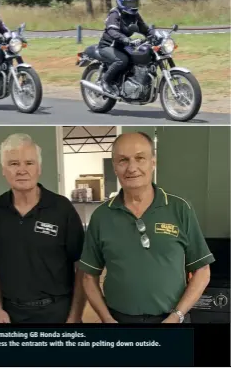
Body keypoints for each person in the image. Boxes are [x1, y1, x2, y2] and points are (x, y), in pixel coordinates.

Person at [79, 132, 214, 323]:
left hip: (171, 320)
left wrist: (177, 316)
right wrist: (107, 319)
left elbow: (202, 271)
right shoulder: (102, 216)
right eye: (123, 160)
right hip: (120, 321)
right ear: (115, 167)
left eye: (140, 158)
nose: (132, 168)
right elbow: (88, 277)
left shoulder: (180, 209)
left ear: (153, 162)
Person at [0, 133, 87, 323]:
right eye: (14, 164)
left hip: (57, 313)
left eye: (29, 163)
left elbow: (81, 267)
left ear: (39, 168)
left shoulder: (62, 209)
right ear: (3, 170)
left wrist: (74, 316)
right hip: (11, 313)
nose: (22, 170)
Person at [98, 0, 154, 95]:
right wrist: (125, 39)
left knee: (140, 58)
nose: (132, 5)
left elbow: (144, 28)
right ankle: (105, 82)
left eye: (134, 2)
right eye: (129, 3)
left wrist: (155, 35)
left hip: (123, 45)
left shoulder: (135, 15)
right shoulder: (115, 13)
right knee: (122, 60)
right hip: (109, 45)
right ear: (121, 1)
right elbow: (112, 31)